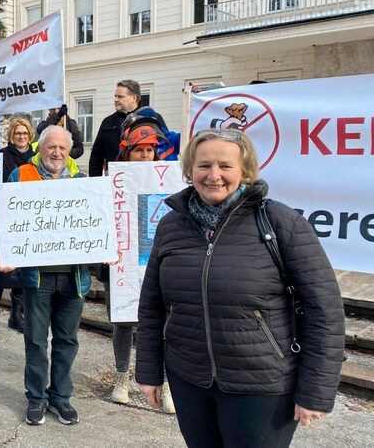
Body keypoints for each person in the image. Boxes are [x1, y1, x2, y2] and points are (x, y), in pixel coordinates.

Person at [135, 129, 345, 447]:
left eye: (225, 166)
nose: (214, 175)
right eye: (204, 165)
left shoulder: (279, 223)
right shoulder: (170, 226)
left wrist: (315, 390)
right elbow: (152, 304)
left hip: (262, 387)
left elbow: (324, 309)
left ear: (244, 171)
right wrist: (149, 372)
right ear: (189, 170)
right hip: (189, 379)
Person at [0, 125, 90, 427]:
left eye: (63, 148)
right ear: (41, 148)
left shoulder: (82, 181)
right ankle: (36, 397)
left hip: (74, 278)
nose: (57, 153)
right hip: (36, 278)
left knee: (66, 340)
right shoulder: (21, 175)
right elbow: (5, 219)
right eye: (51, 147)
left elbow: (97, 223)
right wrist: (6, 253)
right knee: (36, 340)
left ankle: (61, 397)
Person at [106, 119, 175, 414]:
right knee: (124, 320)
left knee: (166, 324)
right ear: (128, 152)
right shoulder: (113, 177)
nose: (146, 156)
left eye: (150, 151)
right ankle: (122, 376)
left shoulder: (170, 179)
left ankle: (166, 383)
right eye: (140, 151)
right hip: (123, 260)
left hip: (158, 261)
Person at [0, 117, 35, 339]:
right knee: (0, 268)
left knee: (22, 267)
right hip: (4, 218)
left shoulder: (36, 159)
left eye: (24, 133)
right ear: (11, 135)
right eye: (17, 133)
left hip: (29, 220)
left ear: (30, 135)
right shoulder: (1, 157)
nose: (21, 136)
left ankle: (16, 313)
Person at [89, 79, 167, 176]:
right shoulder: (108, 122)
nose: (116, 99)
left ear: (134, 98)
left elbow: (166, 149)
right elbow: (96, 158)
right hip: (117, 182)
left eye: (120, 97)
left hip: (148, 180)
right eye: (115, 96)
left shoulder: (153, 119)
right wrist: (96, 183)